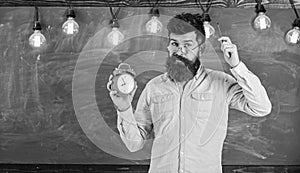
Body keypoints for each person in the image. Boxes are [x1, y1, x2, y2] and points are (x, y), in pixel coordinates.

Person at [107, 13, 272, 173]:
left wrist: (236, 66)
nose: (180, 51)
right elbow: (134, 144)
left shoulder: (220, 83)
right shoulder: (154, 87)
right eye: (174, 44)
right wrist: (123, 109)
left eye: (187, 44)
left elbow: (261, 107)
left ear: (201, 48)